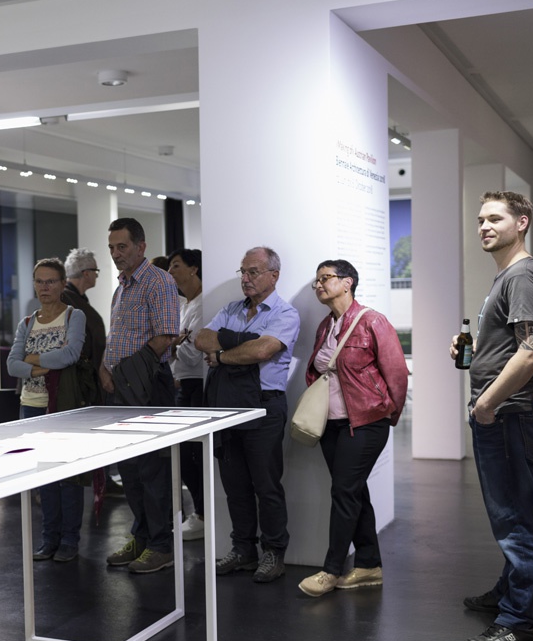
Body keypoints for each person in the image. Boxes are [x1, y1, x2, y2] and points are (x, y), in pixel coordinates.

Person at [454, 191, 533, 641]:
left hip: (509, 412)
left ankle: (519, 619)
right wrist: (475, 352)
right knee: (509, 513)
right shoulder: (508, 276)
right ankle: (508, 592)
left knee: (517, 517)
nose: (484, 226)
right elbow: (514, 345)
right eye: (481, 219)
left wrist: (485, 404)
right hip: (505, 410)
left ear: (522, 222)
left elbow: (532, 352)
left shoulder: (524, 276)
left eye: (495, 218)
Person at [296, 261, 408, 597]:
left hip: (366, 423)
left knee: (344, 492)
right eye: (316, 280)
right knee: (354, 491)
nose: (319, 285)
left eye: (326, 278)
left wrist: (387, 414)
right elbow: (319, 370)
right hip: (331, 424)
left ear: (348, 283)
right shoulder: (325, 325)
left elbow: (397, 374)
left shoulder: (373, 321)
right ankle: (369, 565)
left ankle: (331, 570)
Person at [196, 246, 300, 584]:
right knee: (234, 485)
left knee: (266, 485)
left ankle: (274, 552)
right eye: (243, 271)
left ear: (274, 275)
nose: (245, 278)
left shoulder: (285, 313)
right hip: (227, 407)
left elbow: (263, 349)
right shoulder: (231, 309)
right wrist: (242, 342)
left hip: (265, 407)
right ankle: (243, 549)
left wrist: (222, 356)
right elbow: (202, 338)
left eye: (253, 271)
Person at [100, 217, 181, 574]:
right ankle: (142, 537)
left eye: (122, 246)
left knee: (152, 469)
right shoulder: (121, 286)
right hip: (120, 389)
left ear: (141, 246)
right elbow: (116, 336)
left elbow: (166, 335)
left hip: (148, 387)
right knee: (129, 469)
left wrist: (127, 373)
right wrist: (105, 368)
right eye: (112, 247)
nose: (116, 253)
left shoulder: (158, 281)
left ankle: (161, 545)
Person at [8, 258, 87, 562]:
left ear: (63, 284)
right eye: (39, 281)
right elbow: (12, 365)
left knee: (68, 476)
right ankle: (49, 538)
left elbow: (71, 354)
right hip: (31, 406)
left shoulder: (73, 316)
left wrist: (32, 360)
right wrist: (40, 368)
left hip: (63, 406)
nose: (45, 287)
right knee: (43, 478)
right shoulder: (27, 322)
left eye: (51, 281)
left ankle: (69, 540)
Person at [167, 248, 206, 540]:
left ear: (194, 269)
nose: (170, 272)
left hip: (197, 386)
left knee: (194, 455)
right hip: (183, 384)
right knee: (184, 455)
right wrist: (176, 344)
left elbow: (193, 355)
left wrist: (172, 346)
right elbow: (180, 348)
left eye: (176, 265)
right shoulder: (184, 305)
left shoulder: (203, 305)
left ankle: (204, 514)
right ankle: (201, 512)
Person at [61, 248, 106, 399]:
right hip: (75, 382)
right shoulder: (65, 300)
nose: (97, 276)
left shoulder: (75, 299)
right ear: (86, 273)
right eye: (96, 271)